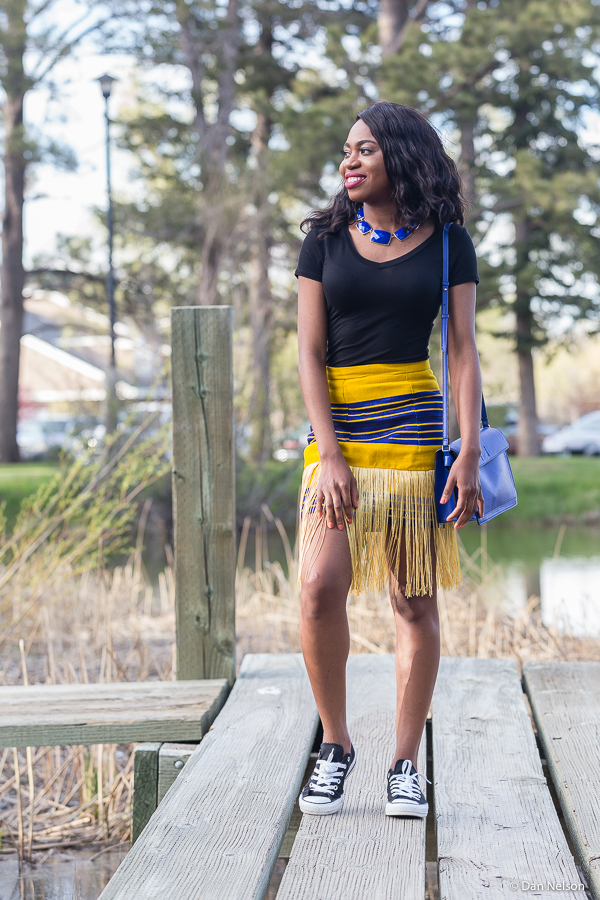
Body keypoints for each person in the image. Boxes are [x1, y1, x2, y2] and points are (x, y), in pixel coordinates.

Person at [294, 100, 484, 818]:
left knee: (413, 598)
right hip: (337, 433)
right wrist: (330, 454)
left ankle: (405, 763)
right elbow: (309, 352)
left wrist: (467, 449)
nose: (349, 161)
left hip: (412, 435)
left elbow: (462, 350)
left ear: (400, 156)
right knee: (319, 587)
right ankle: (335, 745)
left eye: (365, 149)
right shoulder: (324, 241)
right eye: (347, 150)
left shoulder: (449, 243)